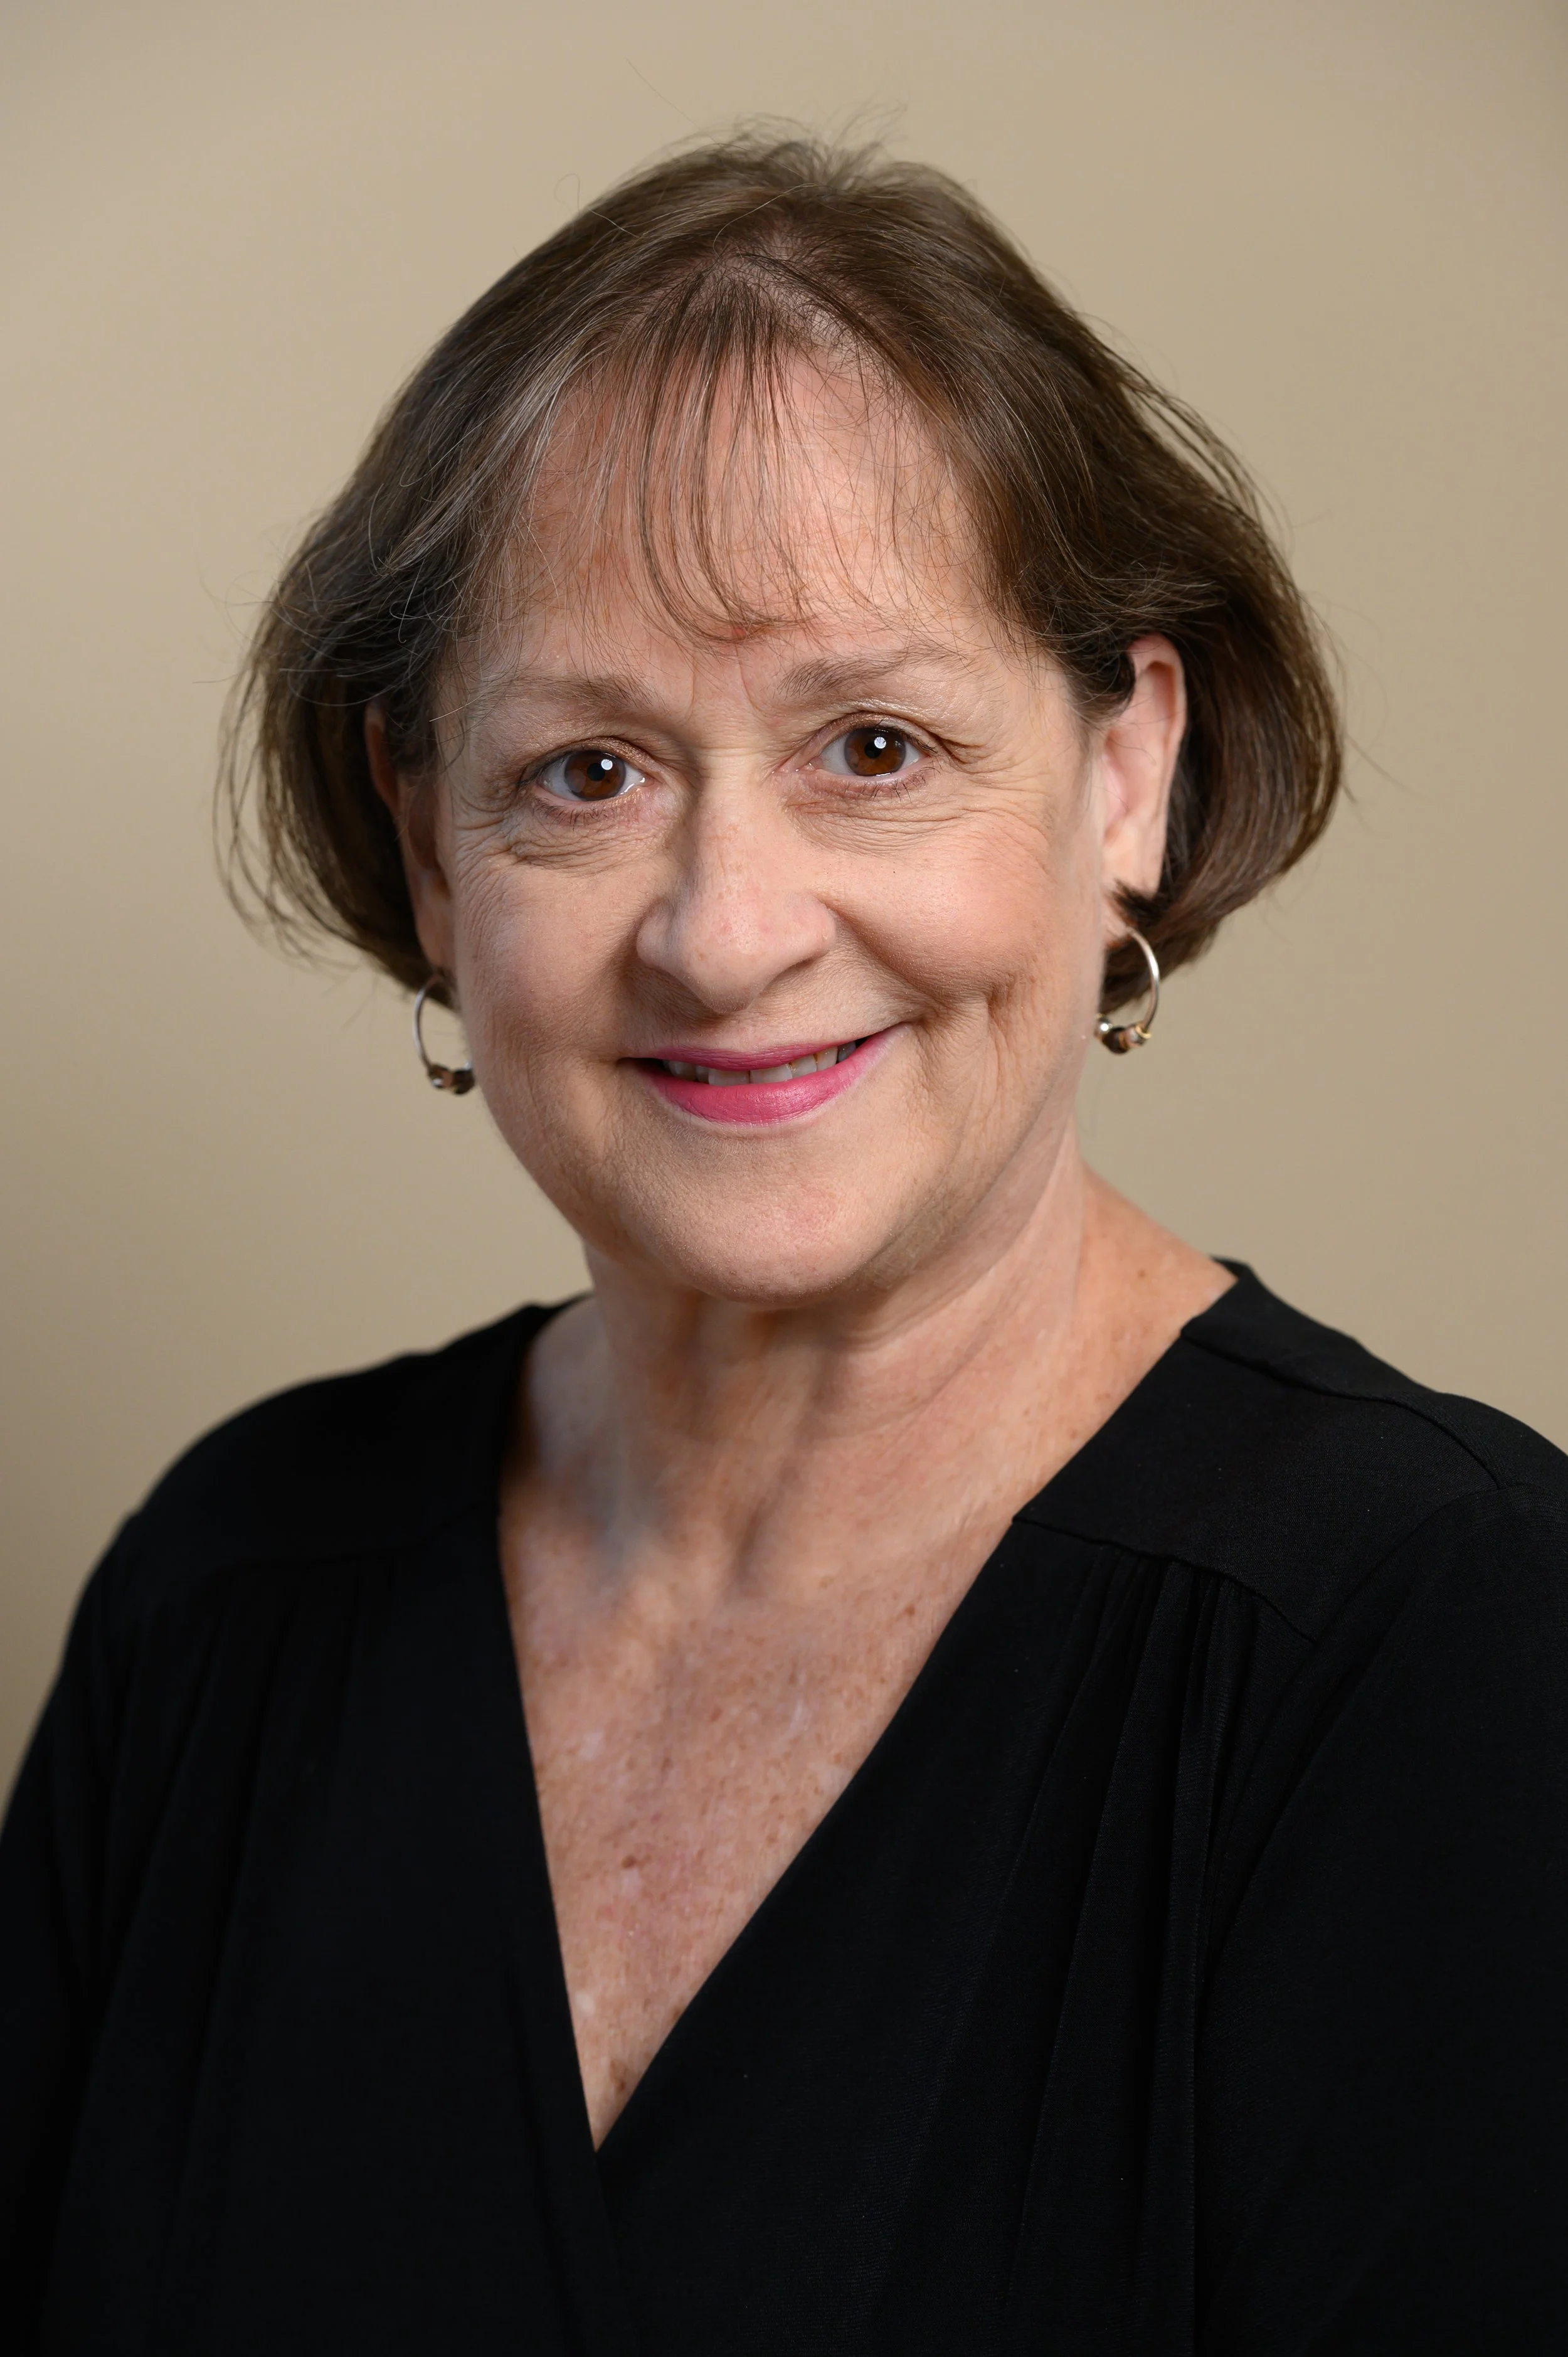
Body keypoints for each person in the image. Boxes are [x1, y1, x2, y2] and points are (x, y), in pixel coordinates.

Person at [1, 130, 1564, 2356]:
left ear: (1124, 770)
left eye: (873, 744)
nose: (725, 934)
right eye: (587, 772)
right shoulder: (228, 1591)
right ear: (428, 846)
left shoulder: (1443, 1635)